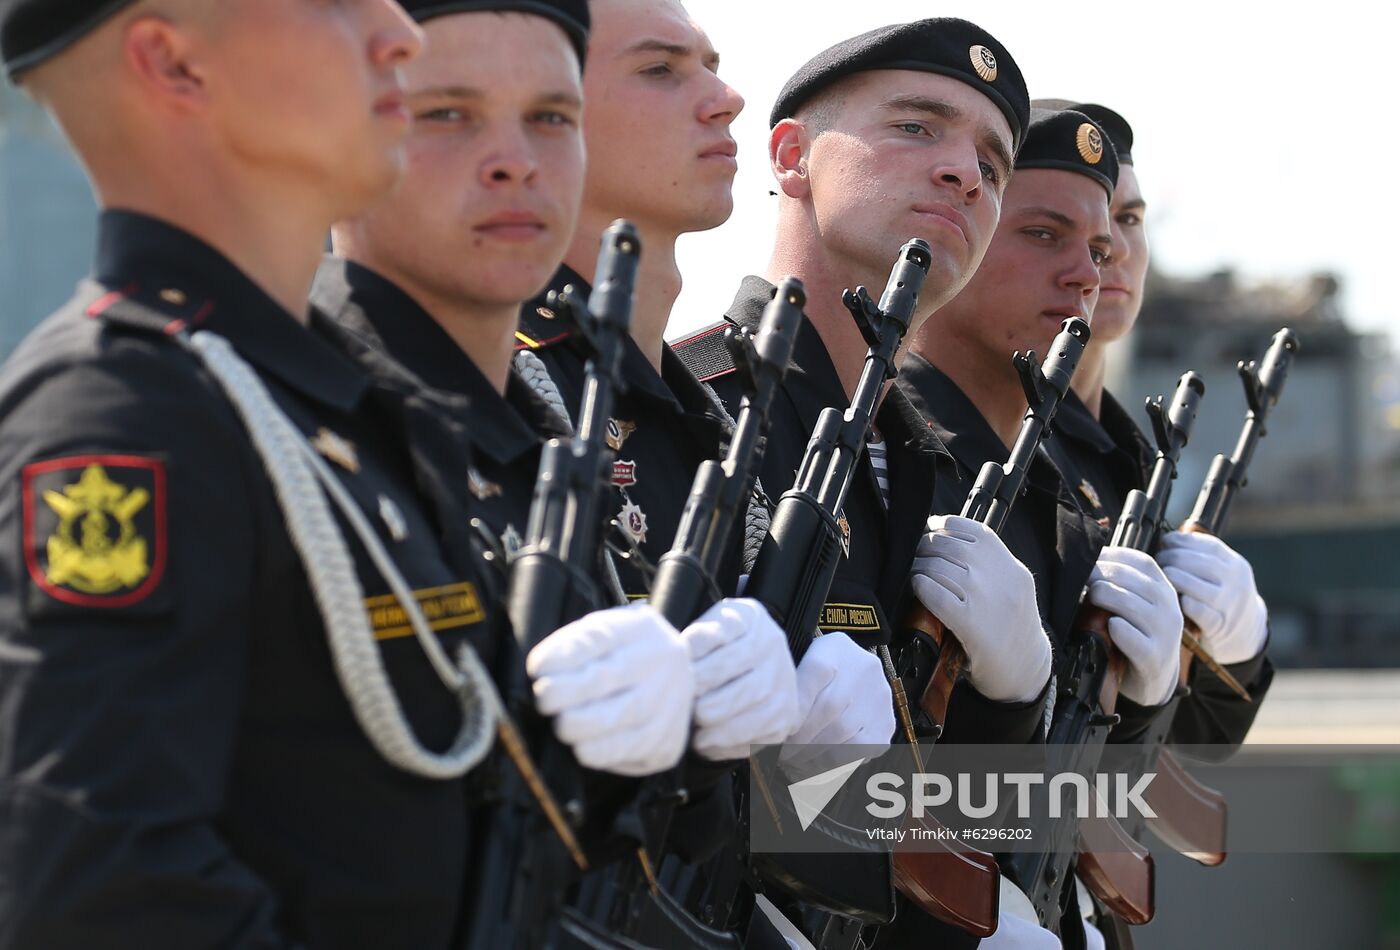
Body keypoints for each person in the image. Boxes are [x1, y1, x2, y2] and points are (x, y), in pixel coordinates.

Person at [0, 2, 694, 946]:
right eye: (336, 3)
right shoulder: (124, 411)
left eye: (550, 116)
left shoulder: (331, 408)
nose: (397, 33)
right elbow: (100, 889)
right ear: (172, 64)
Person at [673, 17, 1062, 946]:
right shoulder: (682, 412)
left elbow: (967, 819)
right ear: (792, 155)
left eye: (995, 165)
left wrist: (1016, 706)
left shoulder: (955, 474)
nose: (966, 173)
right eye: (918, 127)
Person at [1033, 99, 1274, 751]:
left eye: (1127, 218)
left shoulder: (1129, 459)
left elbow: (1196, 747)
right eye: (1060, 226)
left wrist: (1240, 653)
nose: (1106, 248)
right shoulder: (984, 440)